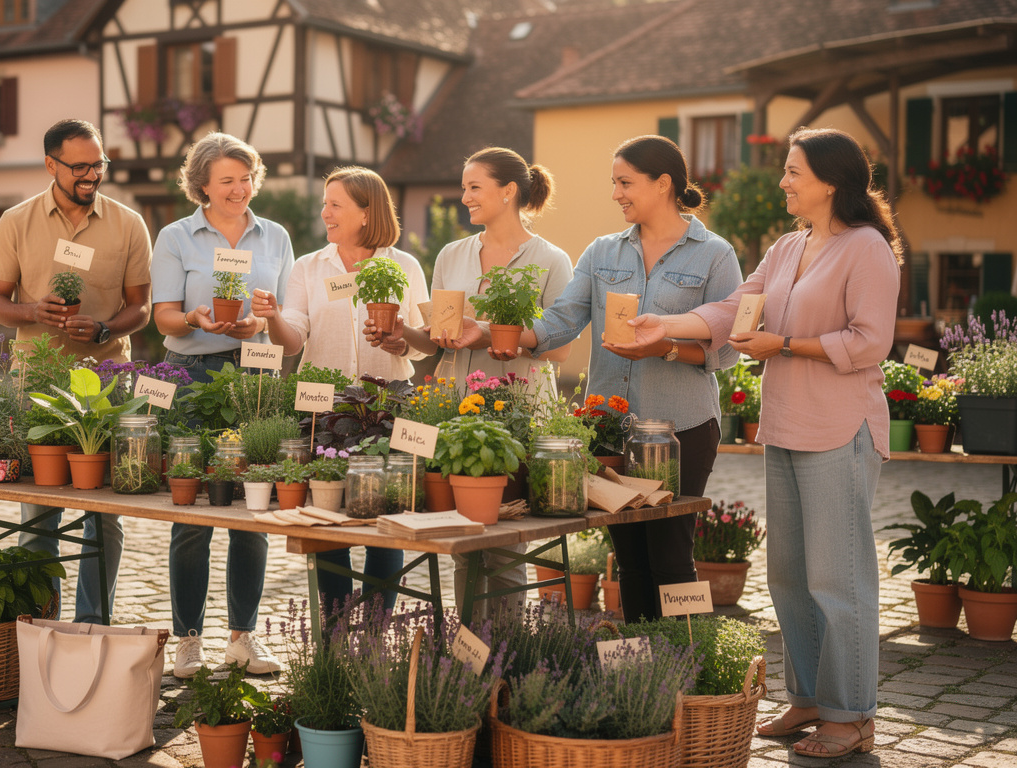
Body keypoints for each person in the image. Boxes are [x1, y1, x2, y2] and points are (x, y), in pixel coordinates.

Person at [619, 127, 900, 758]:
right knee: (790, 577)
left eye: (794, 172)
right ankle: (808, 698)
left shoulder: (867, 248)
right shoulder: (787, 248)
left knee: (839, 578)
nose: (784, 182)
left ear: (831, 181)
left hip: (840, 428)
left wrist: (788, 345)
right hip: (786, 426)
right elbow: (732, 309)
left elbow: (871, 341)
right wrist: (661, 326)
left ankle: (852, 714)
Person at [512, 135, 742, 622]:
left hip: (680, 430)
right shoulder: (601, 252)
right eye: (613, 183)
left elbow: (727, 351)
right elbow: (563, 319)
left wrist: (668, 348)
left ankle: (685, 663)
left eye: (624, 182)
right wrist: (506, 335)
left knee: (672, 555)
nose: (615, 193)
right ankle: (644, 667)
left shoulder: (714, 255)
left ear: (663, 185)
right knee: (630, 559)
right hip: (610, 431)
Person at [367, 147, 572, 618]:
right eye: (463, 188)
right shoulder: (452, 255)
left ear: (509, 191)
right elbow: (441, 338)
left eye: (474, 187)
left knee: (505, 543)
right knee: (462, 540)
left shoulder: (551, 259)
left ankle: (504, 653)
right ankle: (469, 653)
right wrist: (404, 335)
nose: (465, 198)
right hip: (458, 410)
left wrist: (505, 338)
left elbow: (558, 349)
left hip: (519, 412)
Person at [0, 118, 152, 625]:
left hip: (105, 388)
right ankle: (42, 625)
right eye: (79, 166)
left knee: (105, 518)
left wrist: (104, 329)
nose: (90, 174)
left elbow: (140, 309)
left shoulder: (128, 223)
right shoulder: (16, 221)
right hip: (37, 385)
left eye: (97, 164)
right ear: (50, 164)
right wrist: (33, 311)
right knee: (38, 516)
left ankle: (92, 625)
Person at [251, 166, 427, 613]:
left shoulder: (403, 265)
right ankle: (332, 630)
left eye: (335, 204)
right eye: (325, 203)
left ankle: (375, 630)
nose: (324, 212)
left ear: (366, 213)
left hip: (387, 404)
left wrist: (398, 339)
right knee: (327, 518)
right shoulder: (309, 267)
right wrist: (272, 318)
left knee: (384, 518)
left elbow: (422, 346)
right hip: (322, 407)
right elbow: (293, 338)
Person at [150, 132, 293, 677]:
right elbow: (162, 314)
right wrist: (196, 318)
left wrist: (263, 320)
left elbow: (280, 309)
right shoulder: (177, 236)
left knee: (250, 509)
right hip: (192, 375)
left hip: (254, 374)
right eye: (227, 180)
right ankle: (188, 640)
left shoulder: (274, 235)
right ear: (202, 185)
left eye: (247, 177)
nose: (240, 189)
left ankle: (243, 638)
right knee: (192, 513)